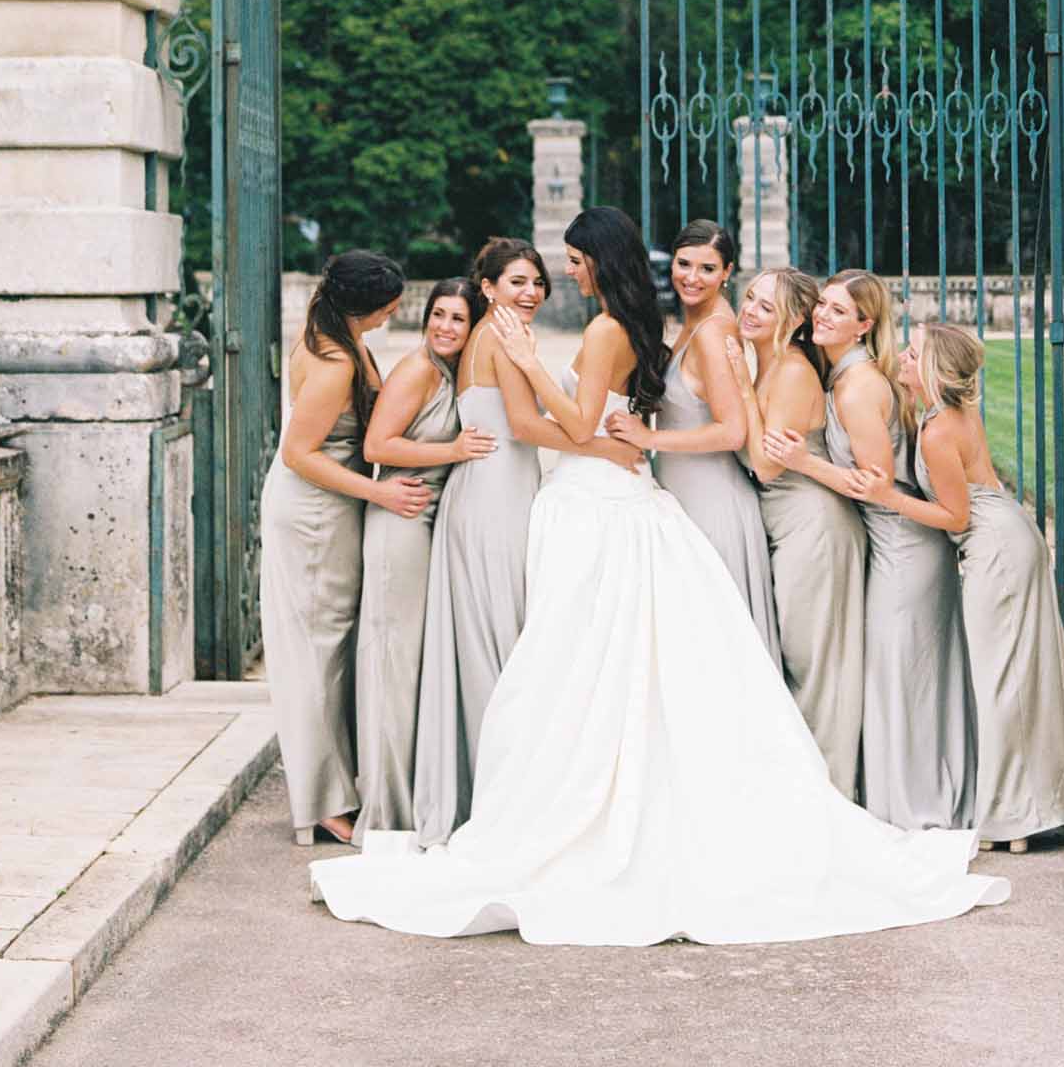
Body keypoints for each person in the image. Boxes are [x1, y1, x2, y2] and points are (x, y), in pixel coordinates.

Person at [309, 207, 1008, 947]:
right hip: (612, 491)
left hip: (603, 496)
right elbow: (596, 428)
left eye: (574, 262)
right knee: (603, 663)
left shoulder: (616, 330)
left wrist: (530, 363)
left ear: (595, 261)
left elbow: (583, 427)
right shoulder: (640, 326)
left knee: (590, 664)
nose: (565, 275)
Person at [412, 238, 641, 847]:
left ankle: (498, 791)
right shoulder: (499, 338)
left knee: (501, 640)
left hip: (500, 489)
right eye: (517, 281)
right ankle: (503, 802)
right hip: (492, 497)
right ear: (486, 287)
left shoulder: (502, 335)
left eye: (537, 281)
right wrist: (606, 447)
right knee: (502, 647)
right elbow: (525, 425)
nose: (532, 292)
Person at [854, 321, 1064, 851]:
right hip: (1005, 536)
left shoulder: (938, 432)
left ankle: (1014, 817)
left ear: (932, 372)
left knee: (1001, 678)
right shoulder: (945, 415)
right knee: (1011, 676)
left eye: (912, 356)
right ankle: (1023, 805)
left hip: (996, 549)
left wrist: (885, 495)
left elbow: (955, 517)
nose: (902, 363)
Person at [771, 271, 976, 831]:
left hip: (904, 548)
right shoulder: (841, 375)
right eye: (822, 306)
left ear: (865, 324)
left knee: (899, 676)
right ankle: (900, 797)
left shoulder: (859, 387)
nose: (823, 316)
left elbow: (876, 482)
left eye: (839, 311)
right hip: (889, 545)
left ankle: (916, 807)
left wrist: (804, 463)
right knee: (895, 674)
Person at [260, 250, 427, 847]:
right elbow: (299, 455)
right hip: (312, 514)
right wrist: (379, 495)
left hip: (334, 508)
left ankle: (339, 784)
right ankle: (323, 801)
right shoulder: (332, 361)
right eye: (388, 306)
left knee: (332, 645)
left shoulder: (339, 330)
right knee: (316, 652)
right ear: (364, 306)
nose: (393, 313)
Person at [353, 278, 495, 842]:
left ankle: (413, 793)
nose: (444, 327)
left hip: (427, 518)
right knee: (391, 662)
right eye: (438, 315)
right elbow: (376, 447)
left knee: (411, 666)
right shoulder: (417, 370)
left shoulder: (454, 373)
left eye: (457, 319)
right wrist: (453, 451)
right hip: (400, 519)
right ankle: (384, 810)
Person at [604, 219, 778, 657]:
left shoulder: (716, 332)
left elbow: (732, 430)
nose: (690, 277)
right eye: (684, 263)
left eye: (707, 268)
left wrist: (649, 438)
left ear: (727, 273)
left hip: (713, 504)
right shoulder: (693, 324)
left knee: (716, 643)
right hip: (684, 497)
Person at [726, 268, 867, 794]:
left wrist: (742, 388)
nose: (749, 310)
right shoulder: (768, 361)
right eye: (749, 298)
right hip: (787, 526)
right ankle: (803, 787)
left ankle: (830, 794)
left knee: (816, 666)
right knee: (797, 659)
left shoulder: (788, 371)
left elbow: (765, 465)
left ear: (789, 319)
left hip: (816, 525)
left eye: (765, 306)